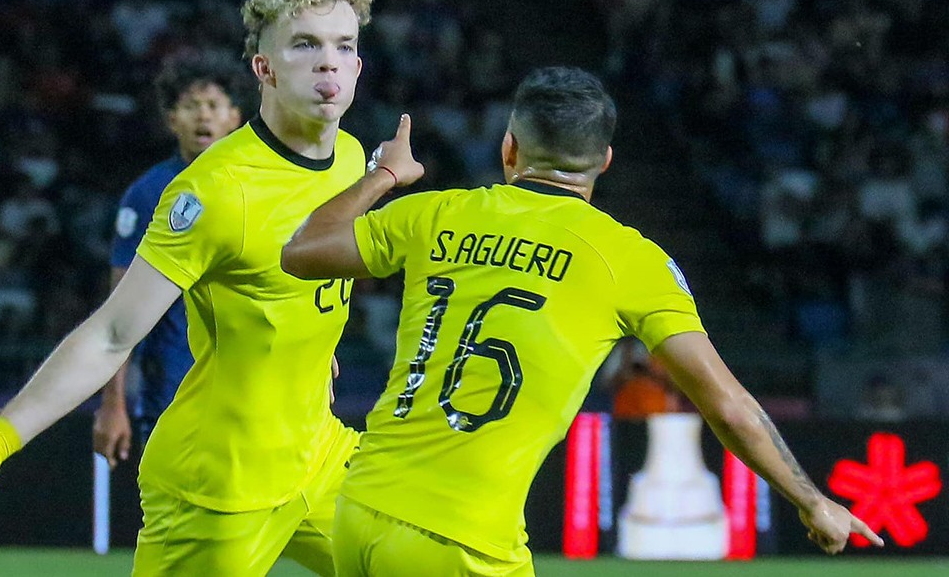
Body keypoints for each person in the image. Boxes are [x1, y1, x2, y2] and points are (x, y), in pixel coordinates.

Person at [281, 67, 884, 576]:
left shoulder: (438, 213)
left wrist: (383, 175)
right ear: (606, 161)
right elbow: (726, 406)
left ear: (509, 148)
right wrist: (813, 501)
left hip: (359, 513)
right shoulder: (628, 260)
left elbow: (302, 251)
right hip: (461, 540)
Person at [0, 0, 374, 575]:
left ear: (357, 65)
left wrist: (308, 348)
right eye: (304, 44)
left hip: (321, 455)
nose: (327, 60)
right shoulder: (214, 193)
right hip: (218, 487)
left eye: (343, 45)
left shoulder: (352, 159)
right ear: (265, 68)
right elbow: (112, 333)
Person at [92, 50, 249, 468]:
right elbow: (120, 308)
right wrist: (113, 402)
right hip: (173, 391)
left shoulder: (260, 184)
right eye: (191, 106)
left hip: (250, 390)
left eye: (213, 105)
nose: (203, 116)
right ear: (172, 120)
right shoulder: (148, 194)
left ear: (235, 117)